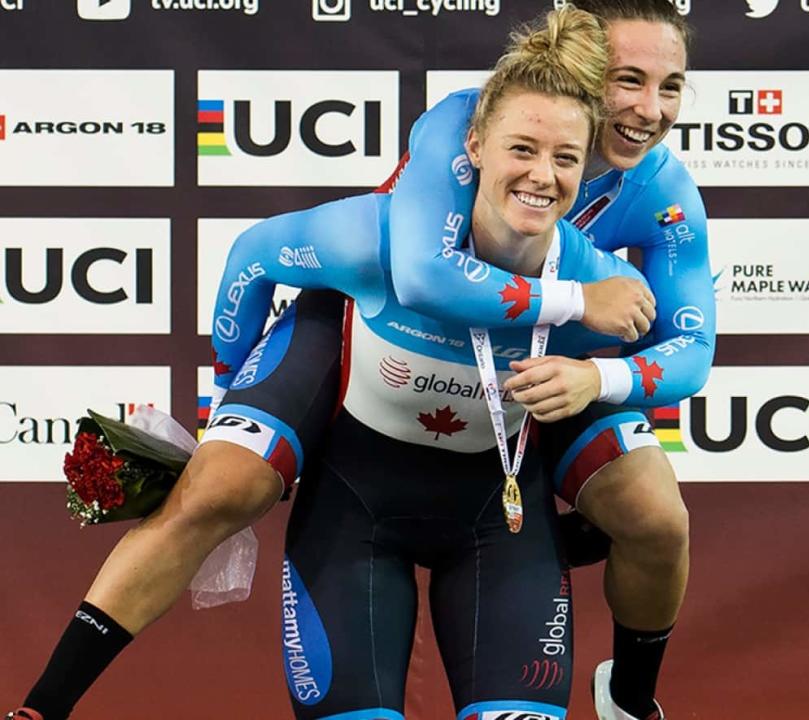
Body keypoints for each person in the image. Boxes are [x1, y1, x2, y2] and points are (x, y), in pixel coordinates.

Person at [4, 6, 651, 720]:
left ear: (587, 165)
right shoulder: (380, 240)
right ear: (476, 144)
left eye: (564, 159)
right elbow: (254, 254)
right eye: (521, 149)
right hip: (354, 509)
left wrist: (604, 404)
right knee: (219, 488)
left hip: (496, 526)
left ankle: (632, 697)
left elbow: (676, 362)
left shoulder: (599, 285)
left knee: (654, 511)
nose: (541, 176)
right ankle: (40, 711)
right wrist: (227, 397)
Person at [385, 2, 712, 718]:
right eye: (627, 80)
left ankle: (628, 699)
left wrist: (598, 375)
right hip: (413, 352)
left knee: (659, 520)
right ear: (583, 64)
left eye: (671, 86)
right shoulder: (465, 124)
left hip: (546, 373)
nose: (649, 111)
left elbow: (693, 350)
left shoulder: (660, 186)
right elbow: (419, 276)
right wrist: (572, 302)